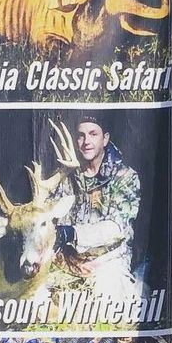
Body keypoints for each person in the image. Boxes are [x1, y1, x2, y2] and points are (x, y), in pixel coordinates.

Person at [52, 115, 141, 294]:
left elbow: (116, 229)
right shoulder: (65, 177)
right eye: (81, 136)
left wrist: (71, 233)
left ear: (105, 139)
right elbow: (49, 219)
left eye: (93, 134)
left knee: (104, 294)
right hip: (69, 262)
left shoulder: (125, 176)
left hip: (108, 261)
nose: (86, 142)